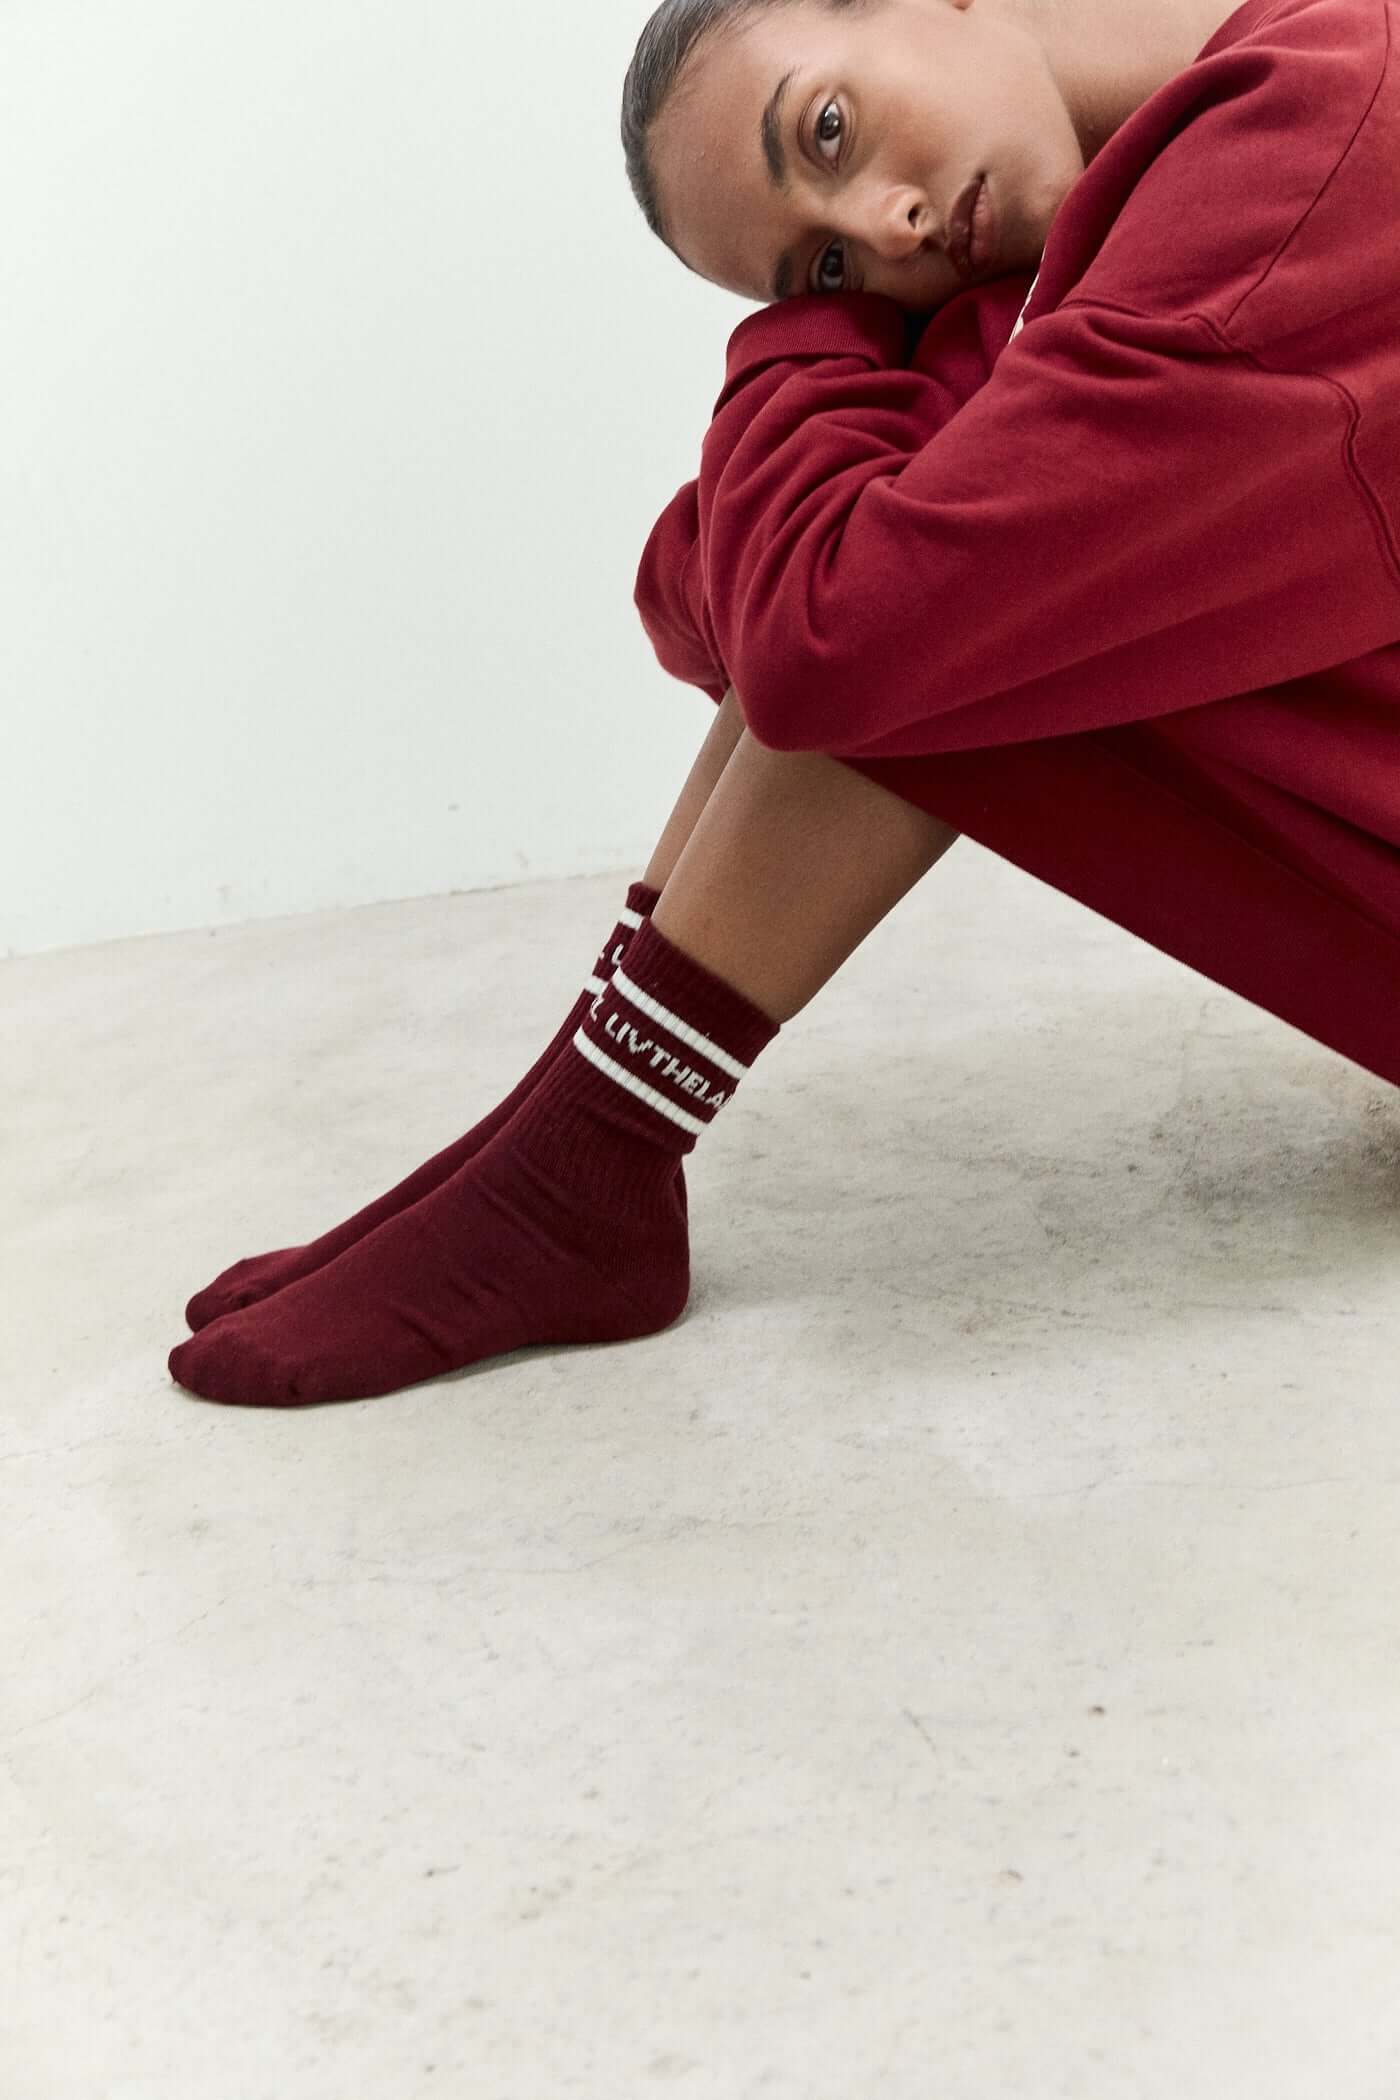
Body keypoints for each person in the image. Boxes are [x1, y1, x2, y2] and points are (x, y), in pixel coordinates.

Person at [169, 0, 1400, 1406]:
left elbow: (814, 637)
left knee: (934, 596)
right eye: (819, 267)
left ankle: (585, 1156)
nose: (885, 232)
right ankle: (575, 1137)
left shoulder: (1319, 150)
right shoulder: (1112, 227)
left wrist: (807, 355)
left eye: (827, 127)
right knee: (949, 551)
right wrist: (832, 485)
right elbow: (721, 606)